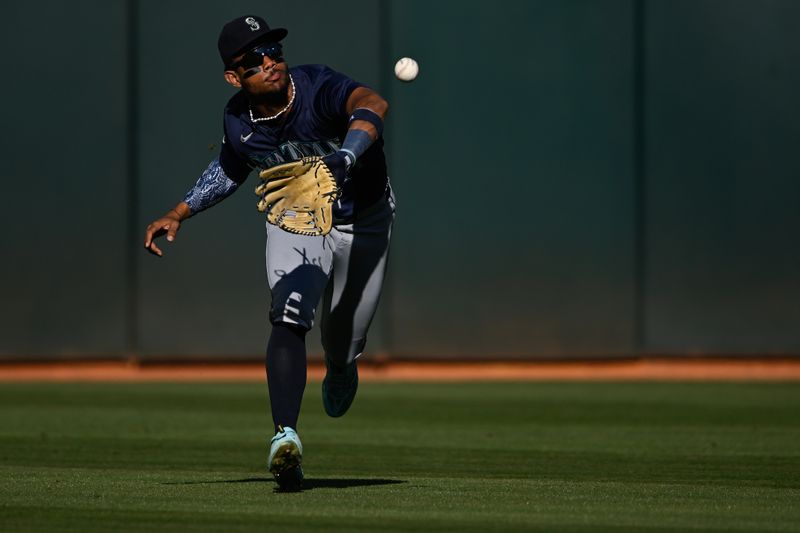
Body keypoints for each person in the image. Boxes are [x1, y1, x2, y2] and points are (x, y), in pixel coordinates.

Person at [143, 14, 394, 491]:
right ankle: (285, 437)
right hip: (295, 219)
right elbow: (229, 167)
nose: (270, 62)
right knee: (290, 312)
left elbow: (372, 103)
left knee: (341, 340)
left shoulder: (316, 86)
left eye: (273, 51)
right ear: (233, 77)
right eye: (253, 60)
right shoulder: (238, 118)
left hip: (363, 219)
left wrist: (346, 156)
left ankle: (341, 365)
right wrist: (179, 211)